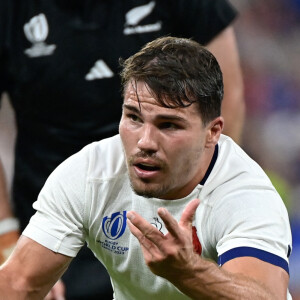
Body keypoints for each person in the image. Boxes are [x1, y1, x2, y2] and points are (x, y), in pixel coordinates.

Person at [0, 36, 292, 300]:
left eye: (169, 125)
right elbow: (19, 285)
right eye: (134, 118)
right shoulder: (90, 175)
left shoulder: (244, 194)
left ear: (212, 132)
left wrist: (188, 272)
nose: (145, 142)